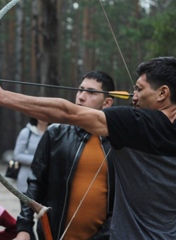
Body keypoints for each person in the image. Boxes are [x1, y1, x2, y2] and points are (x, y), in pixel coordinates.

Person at [0, 56, 176, 239]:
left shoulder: (135, 124)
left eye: (139, 89)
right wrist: (24, 226)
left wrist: (1, 97)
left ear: (163, 93)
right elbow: (36, 184)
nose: (133, 96)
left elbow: (68, 112)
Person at [16, 71, 116, 240]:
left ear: (107, 102)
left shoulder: (116, 144)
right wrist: (24, 227)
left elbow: (120, 201)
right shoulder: (55, 133)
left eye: (91, 92)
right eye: (80, 90)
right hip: (52, 234)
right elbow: (35, 184)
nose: (81, 97)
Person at [13, 118, 48, 205]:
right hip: (26, 181)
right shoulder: (26, 132)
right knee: (26, 213)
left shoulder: (54, 132)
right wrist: (38, 160)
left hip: (47, 182)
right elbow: (17, 155)